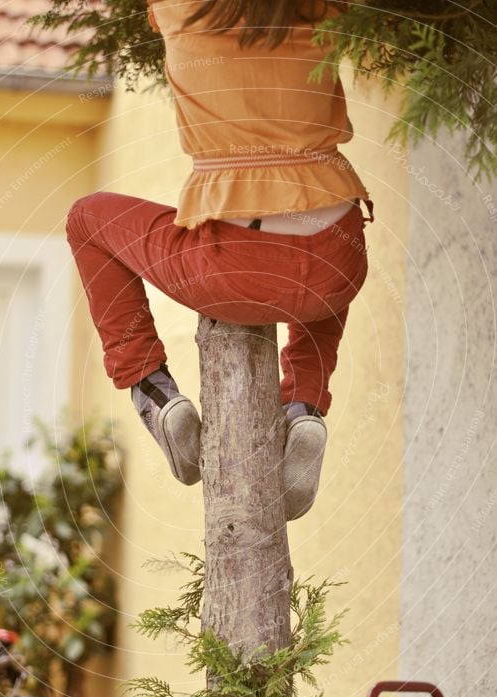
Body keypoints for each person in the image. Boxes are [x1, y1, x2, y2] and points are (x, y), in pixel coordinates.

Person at [66, 0, 375, 521]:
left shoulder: (178, 8)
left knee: (86, 218)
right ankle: (304, 404)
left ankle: (152, 390)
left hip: (236, 268)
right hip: (337, 262)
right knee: (325, 229)